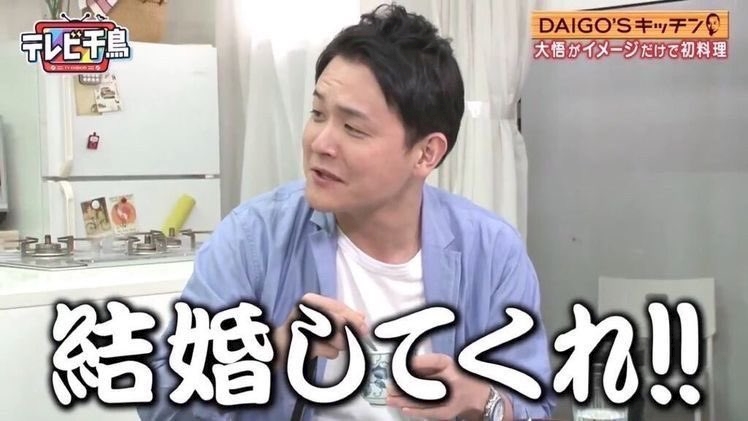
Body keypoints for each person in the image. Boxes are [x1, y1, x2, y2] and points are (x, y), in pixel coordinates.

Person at [138, 4, 555, 420]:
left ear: (426, 153)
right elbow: (160, 397)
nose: (320, 143)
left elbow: (533, 405)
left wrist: (484, 402)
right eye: (317, 114)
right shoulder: (252, 239)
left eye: (353, 128)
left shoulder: (491, 250)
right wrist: (272, 348)